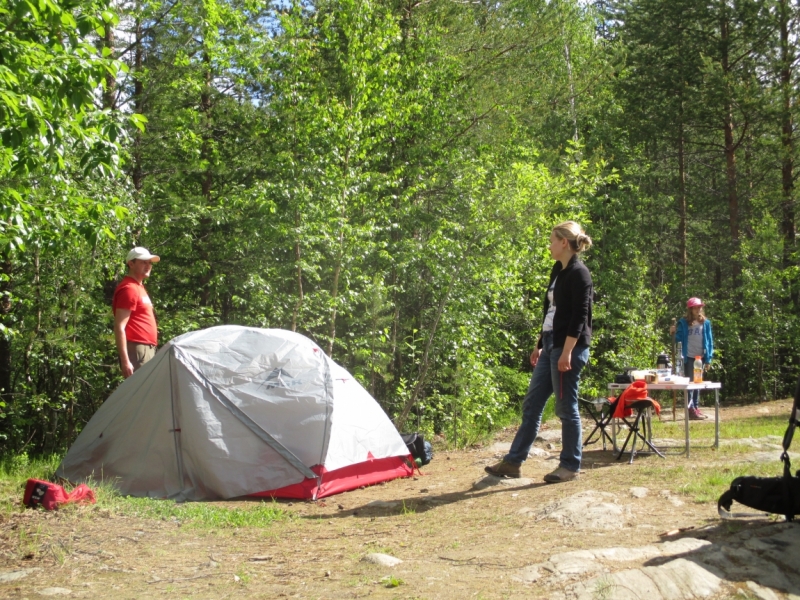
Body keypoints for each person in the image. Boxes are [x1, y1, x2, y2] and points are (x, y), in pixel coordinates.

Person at [485, 221, 593, 483]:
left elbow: (580, 317)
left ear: (563, 243)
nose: (549, 245)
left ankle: (569, 466)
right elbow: (551, 312)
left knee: (566, 408)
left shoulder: (580, 274)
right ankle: (513, 462)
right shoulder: (558, 270)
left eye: (552, 240)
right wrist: (540, 344)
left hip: (569, 348)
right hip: (551, 344)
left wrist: (566, 352)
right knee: (532, 404)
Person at [112, 247, 160, 378]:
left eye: (149, 262)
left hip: (146, 349)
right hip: (137, 349)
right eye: (143, 262)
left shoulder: (139, 287)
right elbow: (119, 326)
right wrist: (125, 360)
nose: (148, 265)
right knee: (142, 395)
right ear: (131, 264)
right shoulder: (129, 289)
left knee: (148, 393)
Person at [670, 297, 714, 420]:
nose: (698, 309)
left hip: (700, 358)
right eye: (696, 307)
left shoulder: (705, 323)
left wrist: (708, 359)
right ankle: (690, 409)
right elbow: (677, 340)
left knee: (698, 383)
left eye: (700, 307)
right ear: (690, 309)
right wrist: (673, 332)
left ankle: (695, 407)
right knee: (689, 384)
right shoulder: (683, 323)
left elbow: (709, 342)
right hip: (688, 357)